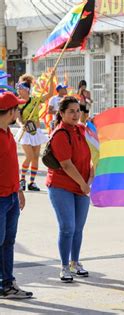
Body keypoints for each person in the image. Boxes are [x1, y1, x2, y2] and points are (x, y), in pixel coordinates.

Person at [47, 96, 93, 282]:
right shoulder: (60, 134)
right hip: (62, 186)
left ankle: (75, 262)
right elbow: (66, 165)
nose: (75, 114)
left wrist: (90, 178)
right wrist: (83, 183)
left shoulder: (81, 130)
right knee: (67, 228)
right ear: (62, 113)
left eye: (77, 110)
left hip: (82, 185)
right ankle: (65, 266)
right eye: (71, 111)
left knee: (78, 228)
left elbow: (94, 153)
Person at [0, 92, 33, 298]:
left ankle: (7, 284)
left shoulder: (8, 133)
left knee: (8, 242)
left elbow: (11, 165)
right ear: (11, 111)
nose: (19, 111)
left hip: (11, 197)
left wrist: (19, 190)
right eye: (17, 108)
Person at [17, 73, 54, 192]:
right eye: (18, 88)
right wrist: (22, 125)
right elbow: (18, 117)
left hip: (36, 131)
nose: (19, 90)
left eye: (20, 88)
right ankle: (22, 180)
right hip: (26, 132)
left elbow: (49, 95)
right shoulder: (18, 102)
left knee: (36, 157)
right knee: (29, 156)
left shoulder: (35, 100)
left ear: (27, 90)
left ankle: (32, 182)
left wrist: (51, 78)